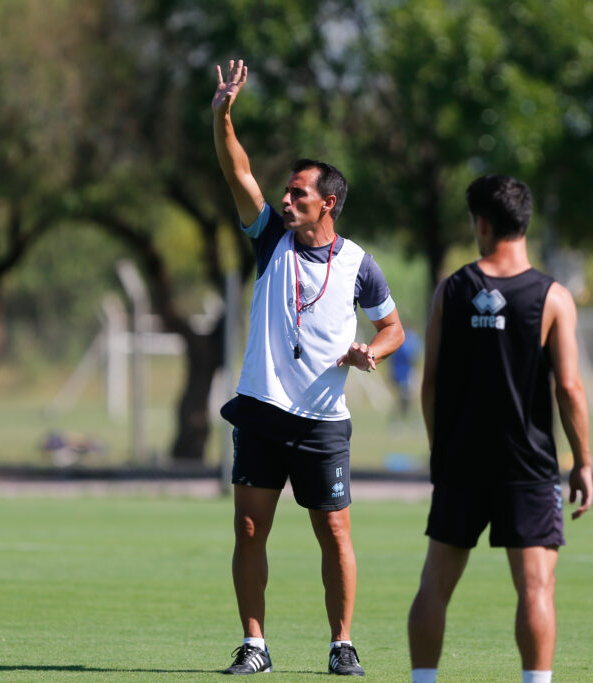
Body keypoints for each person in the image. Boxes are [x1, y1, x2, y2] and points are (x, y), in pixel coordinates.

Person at [212, 59, 404, 676]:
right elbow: (236, 169)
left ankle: (341, 643)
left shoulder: (359, 265)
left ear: (330, 203)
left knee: (334, 534)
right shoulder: (269, 238)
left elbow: (394, 327)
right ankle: (255, 645)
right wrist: (224, 116)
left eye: (299, 193)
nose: (286, 199)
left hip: (323, 421)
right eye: (286, 192)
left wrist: (371, 352)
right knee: (249, 529)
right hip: (262, 409)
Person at [407, 175, 593, 683]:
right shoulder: (553, 297)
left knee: (435, 585)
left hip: (461, 461)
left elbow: (431, 385)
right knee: (536, 588)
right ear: (524, 222)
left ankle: (423, 680)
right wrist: (584, 462)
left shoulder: (452, 289)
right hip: (528, 466)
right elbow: (571, 389)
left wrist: (439, 451)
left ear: (482, 224)